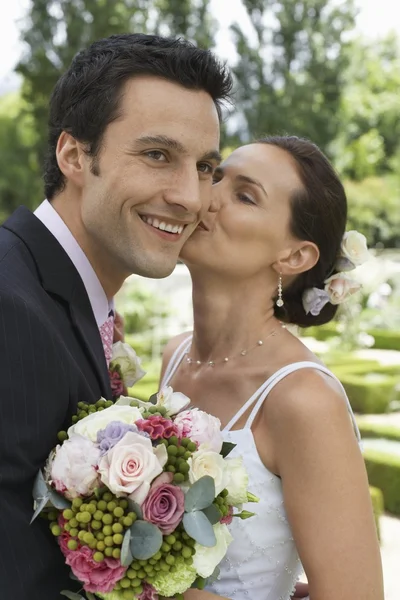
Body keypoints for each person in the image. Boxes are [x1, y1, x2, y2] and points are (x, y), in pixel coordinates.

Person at [0, 33, 231, 600]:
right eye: (157, 155)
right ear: (74, 155)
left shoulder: (68, 296)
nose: (189, 196)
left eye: (204, 167)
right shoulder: (9, 306)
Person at [161, 136, 384, 600]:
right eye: (215, 175)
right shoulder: (174, 356)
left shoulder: (303, 401)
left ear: (294, 257)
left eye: (244, 195)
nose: (207, 195)